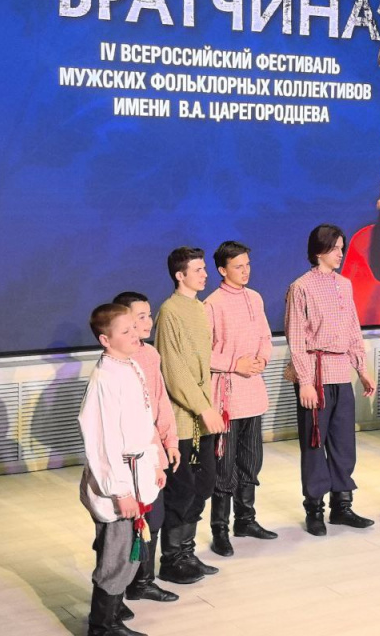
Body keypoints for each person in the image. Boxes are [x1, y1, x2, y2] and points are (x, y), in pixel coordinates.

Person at [78, 303, 164, 636]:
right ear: (105, 339)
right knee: (116, 552)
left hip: (138, 469)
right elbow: (101, 440)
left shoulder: (131, 366)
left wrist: (154, 461)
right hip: (119, 478)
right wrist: (120, 491)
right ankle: (102, 625)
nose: (134, 334)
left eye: (134, 327)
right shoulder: (105, 378)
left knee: (129, 549)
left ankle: (114, 613)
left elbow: (143, 421)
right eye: (125, 331)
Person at [285, 224, 377, 535]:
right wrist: (305, 381)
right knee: (315, 442)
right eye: (335, 248)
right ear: (319, 250)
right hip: (315, 372)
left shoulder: (344, 285)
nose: (341, 253)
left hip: (340, 371)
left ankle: (342, 506)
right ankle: (314, 509)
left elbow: (353, 328)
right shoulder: (301, 287)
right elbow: (296, 338)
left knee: (343, 441)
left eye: (342, 247)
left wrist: (362, 369)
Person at [154, 247, 226, 584]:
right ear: (179, 275)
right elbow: (174, 370)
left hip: (203, 414)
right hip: (184, 419)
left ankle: (187, 551)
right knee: (181, 489)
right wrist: (202, 407)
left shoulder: (199, 308)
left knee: (204, 484)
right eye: (197, 270)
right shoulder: (170, 311)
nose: (204, 274)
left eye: (203, 268)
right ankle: (171, 559)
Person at [204, 241, 278, 556]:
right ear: (223, 270)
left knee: (251, 460)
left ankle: (245, 519)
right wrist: (236, 364)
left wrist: (262, 358)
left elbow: (265, 336)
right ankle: (219, 529)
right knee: (225, 467)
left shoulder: (255, 298)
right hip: (227, 397)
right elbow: (202, 353)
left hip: (253, 393)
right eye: (238, 266)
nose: (245, 271)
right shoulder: (212, 304)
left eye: (247, 265)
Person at [110, 292, 180, 604]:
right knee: (127, 523)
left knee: (155, 516)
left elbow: (160, 400)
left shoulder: (150, 354)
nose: (147, 321)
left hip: (152, 449)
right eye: (140, 316)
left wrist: (170, 441)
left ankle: (143, 581)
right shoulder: (117, 363)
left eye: (149, 314)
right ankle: (119, 590)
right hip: (132, 454)